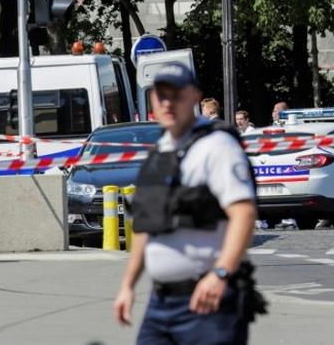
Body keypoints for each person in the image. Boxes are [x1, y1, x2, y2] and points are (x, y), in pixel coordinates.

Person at [113, 63, 264, 344]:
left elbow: (243, 214)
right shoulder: (161, 152)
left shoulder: (217, 147)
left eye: (176, 94)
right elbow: (146, 226)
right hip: (160, 303)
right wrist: (128, 285)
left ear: (195, 97)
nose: (167, 102)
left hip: (208, 300)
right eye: (161, 95)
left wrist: (220, 274)